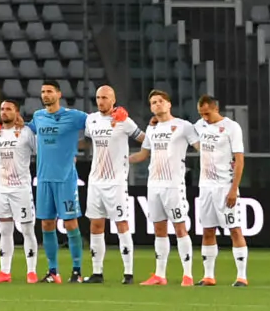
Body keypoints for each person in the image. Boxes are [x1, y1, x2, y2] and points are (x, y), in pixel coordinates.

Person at [131, 87, 198, 286]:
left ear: (169, 104)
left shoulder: (183, 126)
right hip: (154, 185)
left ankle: (188, 275)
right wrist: (122, 159)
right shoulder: (152, 128)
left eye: (160, 101)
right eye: (153, 102)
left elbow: (199, 146)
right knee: (159, 229)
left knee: (180, 228)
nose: (157, 104)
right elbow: (143, 155)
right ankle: (160, 275)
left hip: (174, 185)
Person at [26, 80, 86, 282]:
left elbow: (97, 123)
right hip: (43, 179)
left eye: (49, 91)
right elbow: (27, 129)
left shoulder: (74, 116)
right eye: (43, 92)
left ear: (59, 94)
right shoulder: (38, 116)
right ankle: (53, 272)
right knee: (47, 224)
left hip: (65, 178)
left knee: (70, 223)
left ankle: (77, 271)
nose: (45, 95)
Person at [82, 84, 142, 285]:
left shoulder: (124, 121)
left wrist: (139, 156)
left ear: (113, 100)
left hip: (115, 182)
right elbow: (87, 139)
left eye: (105, 97)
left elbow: (143, 139)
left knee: (121, 224)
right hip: (95, 181)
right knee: (96, 224)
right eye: (98, 97)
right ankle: (97, 272)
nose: (101, 101)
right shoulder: (91, 120)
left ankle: (128, 273)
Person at [193, 94, 248, 287]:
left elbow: (239, 160)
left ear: (216, 108)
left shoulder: (232, 127)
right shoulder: (199, 126)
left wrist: (234, 189)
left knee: (234, 229)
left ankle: (242, 276)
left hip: (225, 187)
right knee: (208, 231)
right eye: (201, 114)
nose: (204, 118)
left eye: (207, 113)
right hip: (205, 187)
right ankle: (209, 276)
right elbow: (180, 131)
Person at [0, 98, 36, 283]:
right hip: (1, 189)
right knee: (5, 230)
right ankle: (4, 271)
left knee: (27, 230)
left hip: (21, 189)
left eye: (8, 109)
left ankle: (31, 271)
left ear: (17, 112)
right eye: (2, 109)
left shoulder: (26, 132)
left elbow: (40, 151)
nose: (4, 112)